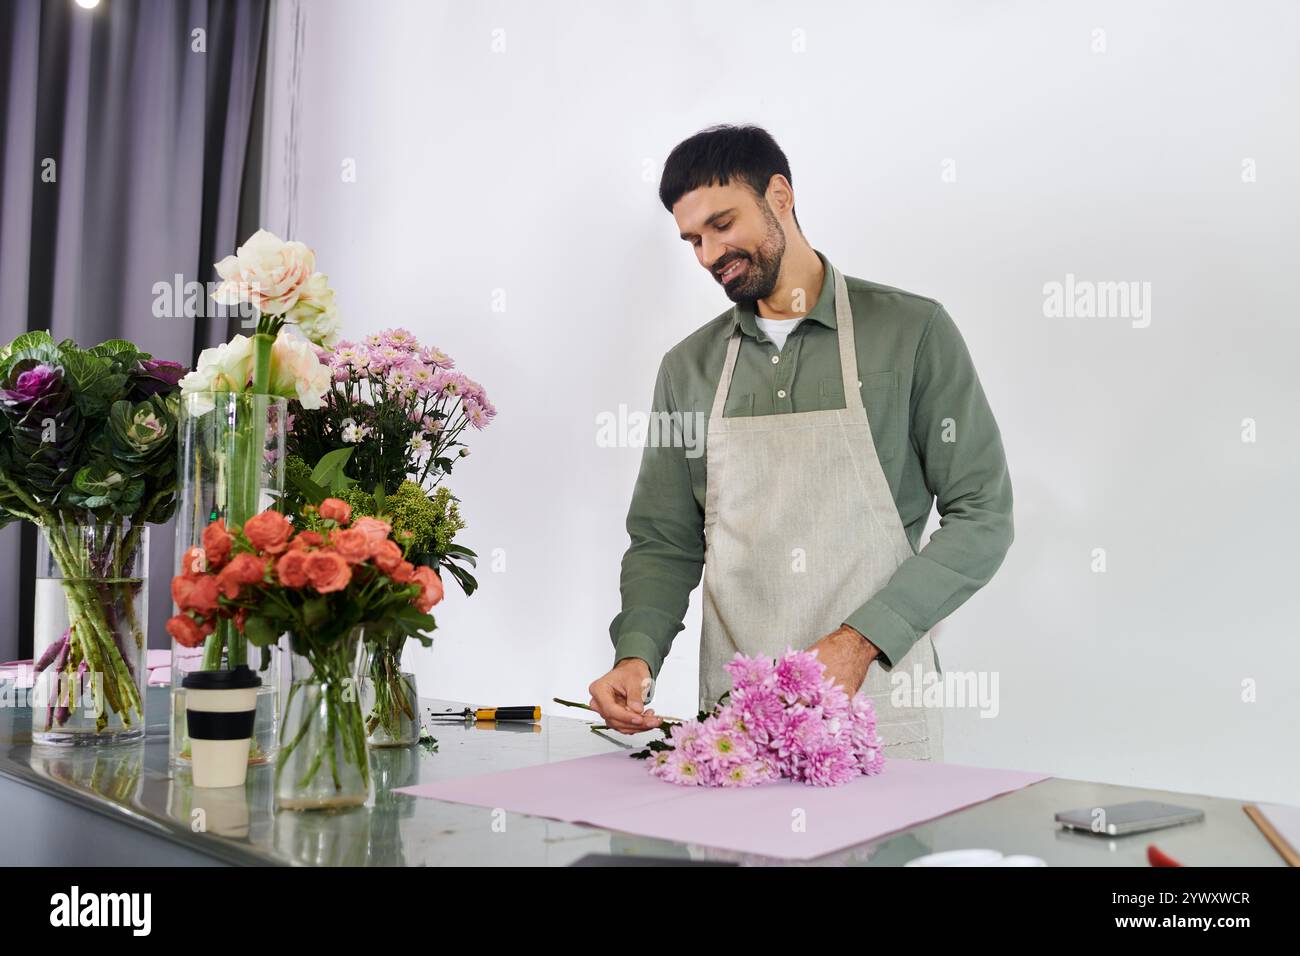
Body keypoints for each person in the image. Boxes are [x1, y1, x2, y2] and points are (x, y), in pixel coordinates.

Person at [587, 125, 1014, 761]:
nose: (709, 254)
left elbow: (983, 515)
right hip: (738, 722)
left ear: (779, 196)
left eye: (722, 224)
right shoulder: (688, 369)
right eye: (694, 240)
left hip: (877, 707)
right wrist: (636, 655)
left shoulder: (911, 332)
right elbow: (664, 540)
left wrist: (859, 641)